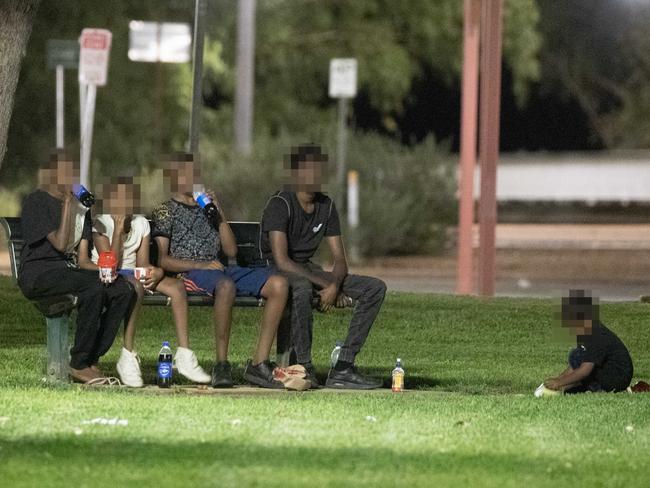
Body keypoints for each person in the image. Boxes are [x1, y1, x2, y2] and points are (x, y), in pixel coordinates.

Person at [151, 154, 289, 389]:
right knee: (226, 286)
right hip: (191, 273)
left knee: (279, 284)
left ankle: (259, 362)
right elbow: (164, 260)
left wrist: (219, 212)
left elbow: (231, 249)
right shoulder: (165, 210)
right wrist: (200, 265)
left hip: (220, 269)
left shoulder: (208, 209)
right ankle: (221, 363)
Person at [260, 144, 387, 389]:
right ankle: (305, 367)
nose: (315, 176)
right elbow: (281, 260)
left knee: (374, 288)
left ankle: (344, 366)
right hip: (276, 273)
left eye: (319, 171)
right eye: (308, 171)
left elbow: (340, 259)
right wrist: (328, 285)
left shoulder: (326, 206)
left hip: (310, 272)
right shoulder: (280, 204)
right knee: (301, 287)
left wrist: (335, 285)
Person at [17, 154, 135, 384]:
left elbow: (81, 258)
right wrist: (67, 206)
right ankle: (78, 363)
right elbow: (61, 244)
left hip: (68, 272)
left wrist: (105, 271)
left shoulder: (82, 209)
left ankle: (91, 358)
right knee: (93, 286)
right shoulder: (37, 201)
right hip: (39, 274)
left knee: (122, 288)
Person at [91, 177, 211, 387]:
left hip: (130, 273)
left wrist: (155, 272)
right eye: (117, 198)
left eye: (128, 198)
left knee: (177, 287)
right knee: (135, 287)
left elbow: (142, 264)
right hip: (107, 273)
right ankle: (127, 355)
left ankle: (184, 354)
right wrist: (118, 230)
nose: (123, 203)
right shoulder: (101, 223)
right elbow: (111, 263)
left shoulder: (141, 223)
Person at [543, 289, 633, 394]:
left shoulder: (596, 335)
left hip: (616, 378)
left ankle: (597, 389)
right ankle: (586, 387)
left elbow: (585, 370)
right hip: (605, 372)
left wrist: (559, 382)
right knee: (577, 355)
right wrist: (559, 379)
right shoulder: (584, 331)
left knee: (577, 356)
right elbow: (578, 363)